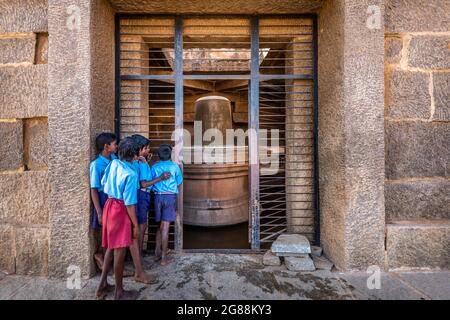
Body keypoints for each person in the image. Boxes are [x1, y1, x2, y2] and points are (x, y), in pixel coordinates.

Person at [96, 137, 140, 300]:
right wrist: (135, 225)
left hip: (109, 204)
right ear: (135, 155)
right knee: (120, 252)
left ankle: (102, 286)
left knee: (110, 248)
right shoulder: (131, 174)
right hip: (120, 210)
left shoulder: (113, 163)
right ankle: (119, 292)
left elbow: (103, 181)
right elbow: (129, 204)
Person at [130, 134, 170, 258]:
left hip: (144, 196)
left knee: (143, 225)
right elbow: (143, 184)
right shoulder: (139, 163)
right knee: (141, 226)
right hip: (142, 195)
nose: (149, 150)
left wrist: (147, 162)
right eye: (146, 148)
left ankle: (138, 254)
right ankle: (139, 256)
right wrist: (160, 178)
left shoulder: (142, 161)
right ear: (139, 149)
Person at [151, 144, 183, 266]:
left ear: (158, 155)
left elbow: (151, 181)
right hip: (169, 197)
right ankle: (164, 258)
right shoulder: (174, 167)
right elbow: (179, 181)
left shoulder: (154, 167)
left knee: (160, 226)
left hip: (157, 196)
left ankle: (156, 253)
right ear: (171, 155)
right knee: (165, 227)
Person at [90, 132, 117, 270]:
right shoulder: (96, 165)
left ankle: (106, 259)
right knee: (106, 232)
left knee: (112, 231)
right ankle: (102, 257)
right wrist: (99, 212)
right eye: (114, 144)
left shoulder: (114, 159)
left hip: (113, 198)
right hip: (103, 199)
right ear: (106, 146)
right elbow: (94, 189)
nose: (116, 146)